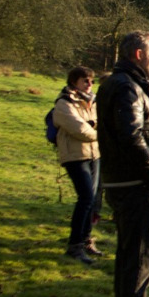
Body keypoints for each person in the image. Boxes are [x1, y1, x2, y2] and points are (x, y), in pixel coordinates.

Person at [96, 30, 149, 297]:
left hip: (123, 182)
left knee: (130, 259)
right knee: (138, 261)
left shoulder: (120, 84)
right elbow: (131, 137)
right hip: (135, 185)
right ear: (138, 54)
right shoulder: (126, 87)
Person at [53, 66, 101, 265]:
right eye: (85, 80)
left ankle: (86, 240)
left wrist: (93, 126)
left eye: (91, 80)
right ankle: (75, 245)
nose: (89, 84)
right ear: (74, 81)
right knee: (86, 197)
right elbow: (79, 129)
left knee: (93, 198)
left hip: (94, 154)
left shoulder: (92, 101)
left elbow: (99, 122)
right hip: (74, 155)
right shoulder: (64, 103)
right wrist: (99, 132)